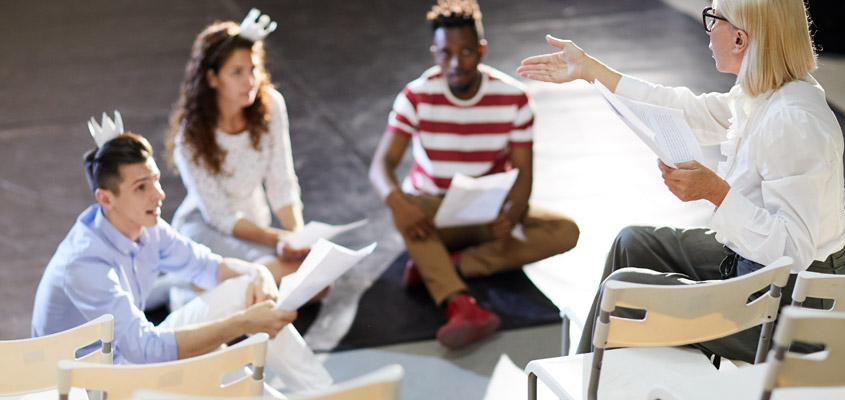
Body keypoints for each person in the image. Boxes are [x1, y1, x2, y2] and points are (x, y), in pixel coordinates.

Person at [518, 0, 845, 363]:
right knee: (632, 243)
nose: (707, 29)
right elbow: (682, 111)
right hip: (766, 277)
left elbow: (792, 251)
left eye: (713, 18)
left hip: (796, 312)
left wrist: (715, 193)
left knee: (628, 290)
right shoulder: (766, 93)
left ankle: (589, 384)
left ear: (740, 39)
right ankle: (591, 379)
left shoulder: (792, 120)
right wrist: (589, 69)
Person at [32, 121, 332, 394]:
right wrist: (242, 323)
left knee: (243, 291)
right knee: (216, 359)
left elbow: (209, 266)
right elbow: (144, 349)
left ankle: (323, 392)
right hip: (91, 386)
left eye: (155, 180)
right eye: (141, 187)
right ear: (105, 199)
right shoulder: (84, 263)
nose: (159, 194)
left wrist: (258, 273)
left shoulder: (148, 229)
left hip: (128, 358)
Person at [370, 0, 580, 350]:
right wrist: (398, 204)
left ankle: (444, 265)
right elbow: (381, 166)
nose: (456, 63)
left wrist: (512, 214)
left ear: (481, 50)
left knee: (565, 230)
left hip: (488, 208)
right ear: (435, 53)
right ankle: (459, 303)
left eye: (466, 52)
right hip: (432, 212)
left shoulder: (514, 98)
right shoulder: (416, 95)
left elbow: (523, 172)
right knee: (402, 205)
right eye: (446, 53)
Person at [166, 10, 307, 284]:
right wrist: (280, 239)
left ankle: (204, 286)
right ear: (212, 79)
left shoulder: (271, 106)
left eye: (253, 69)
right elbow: (220, 215)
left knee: (315, 280)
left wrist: (299, 238)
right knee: (277, 277)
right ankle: (182, 284)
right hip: (207, 229)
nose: (250, 81)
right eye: (237, 72)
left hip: (255, 223)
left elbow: (282, 180)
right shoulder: (191, 138)